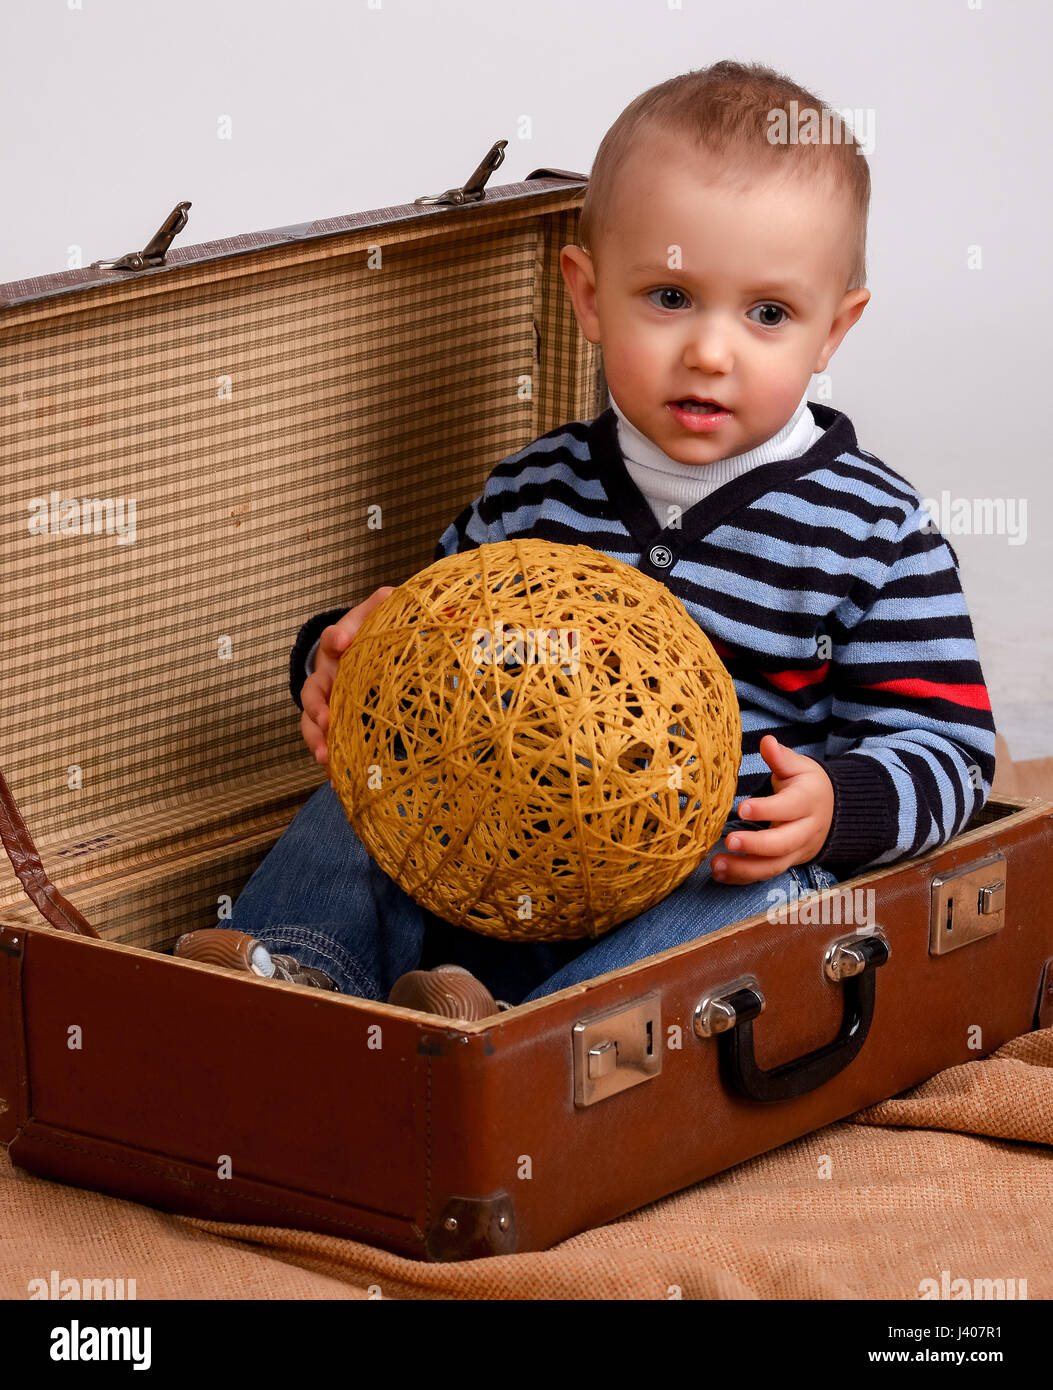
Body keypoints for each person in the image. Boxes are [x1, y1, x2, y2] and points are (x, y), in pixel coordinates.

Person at [177, 59, 996, 1013]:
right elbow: (426, 662)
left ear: (833, 332)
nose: (709, 350)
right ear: (588, 294)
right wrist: (335, 657)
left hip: (704, 875)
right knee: (369, 790)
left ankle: (524, 1042)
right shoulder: (536, 490)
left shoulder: (869, 531)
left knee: (768, 904)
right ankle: (293, 970)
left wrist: (833, 809)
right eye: (669, 297)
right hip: (500, 863)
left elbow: (951, 751)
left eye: (767, 314)